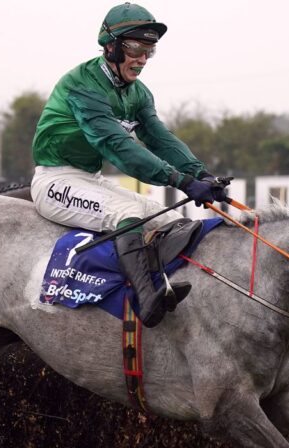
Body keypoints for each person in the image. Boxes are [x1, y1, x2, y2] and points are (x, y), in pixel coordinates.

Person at [30, 3, 226, 327]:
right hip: (54, 181)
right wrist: (180, 181)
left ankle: (168, 287)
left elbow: (160, 138)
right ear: (111, 46)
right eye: (135, 48)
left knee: (172, 220)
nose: (142, 59)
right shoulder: (83, 84)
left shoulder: (138, 93)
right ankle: (144, 300)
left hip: (88, 179)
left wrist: (200, 172)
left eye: (149, 50)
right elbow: (117, 146)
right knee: (127, 216)